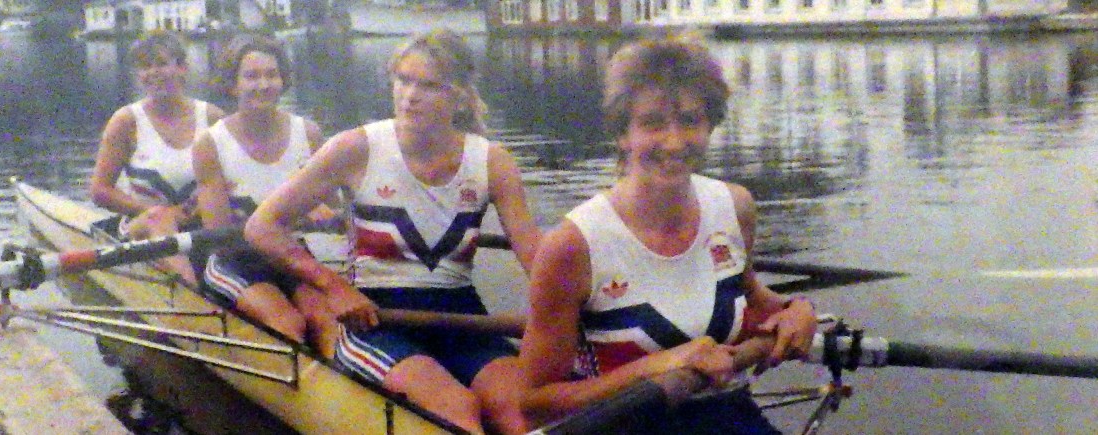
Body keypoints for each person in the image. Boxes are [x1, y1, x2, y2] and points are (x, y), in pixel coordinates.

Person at [244, 28, 541, 434]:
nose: (409, 95)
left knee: (523, 415)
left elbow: (537, 261)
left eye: (428, 85)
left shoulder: (493, 162)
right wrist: (332, 287)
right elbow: (261, 226)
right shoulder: (355, 148)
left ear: (458, 95)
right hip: (374, 318)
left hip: (464, 317)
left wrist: (569, 312)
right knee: (458, 412)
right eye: (403, 80)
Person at [517, 37, 819, 433]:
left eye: (690, 120)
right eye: (653, 123)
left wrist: (796, 309)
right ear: (623, 134)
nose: (674, 142)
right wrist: (660, 365)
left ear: (711, 125)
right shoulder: (573, 246)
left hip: (730, 416)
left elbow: (752, 298)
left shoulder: (735, 207)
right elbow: (535, 404)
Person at [192, 33, 326, 345]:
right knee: (288, 322)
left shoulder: (308, 133)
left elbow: (331, 212)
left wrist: (323, 211)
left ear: (283, 81)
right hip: (236, 260)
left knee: (324, 318)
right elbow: (218, 233)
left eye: (271, 75)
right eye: (251, 76)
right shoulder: (210, 143)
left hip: (294, 255)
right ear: (233, 84)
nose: (263, 85)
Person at [90, 31, 227, 285]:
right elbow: (100, 191)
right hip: (142, 225)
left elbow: (233, 178)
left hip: (199, 223)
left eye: (162, 64)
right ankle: (191, 292)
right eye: (145, 66)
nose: (153, 72)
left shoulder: (212, 118)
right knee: (159, 219)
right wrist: (159, 211)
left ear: (182, 68)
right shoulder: (126, 121)